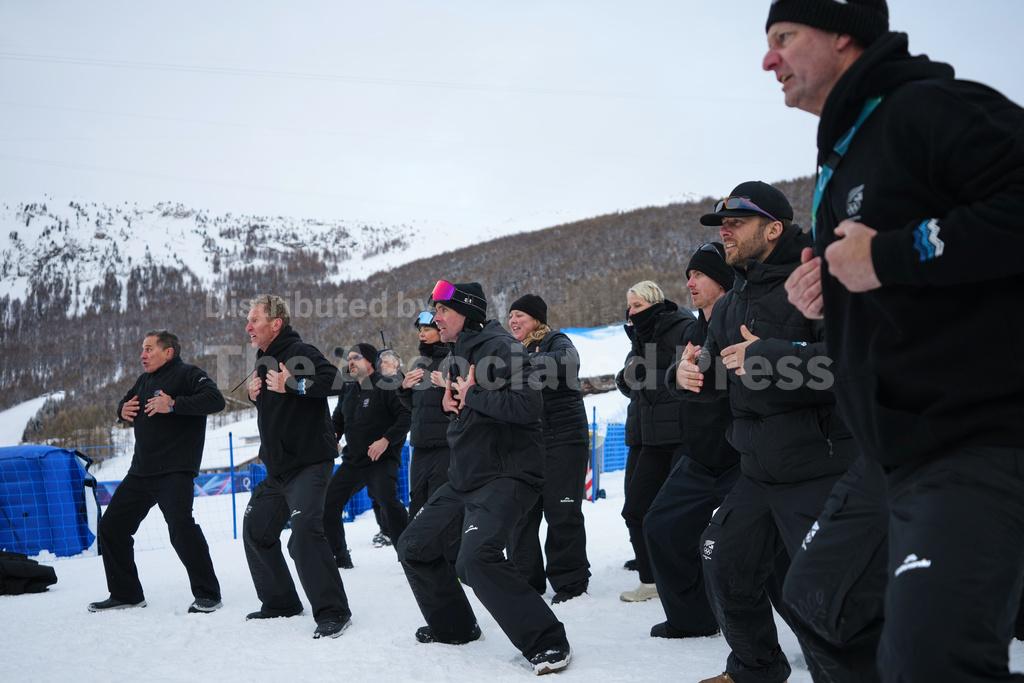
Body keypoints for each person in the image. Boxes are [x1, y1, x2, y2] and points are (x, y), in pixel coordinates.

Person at [764, 1, 1024, 679]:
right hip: (890, 451)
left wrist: (892, 256)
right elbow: (883, 282)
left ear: (844, 32)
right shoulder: (842, 157)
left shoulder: (929, 108)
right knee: (818, 604)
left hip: (975, 434)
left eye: (785, 37)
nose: (769, 61)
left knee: (934, 659)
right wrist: (823, 292)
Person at [675, 182, 857, 683]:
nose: (725, 232)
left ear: (773, 228)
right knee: (723, 562)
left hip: (823, 469)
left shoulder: (816, 283)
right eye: (721, 224)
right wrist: (691, 375)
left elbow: (855, 367)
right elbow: (721, 373)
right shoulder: (732, 303)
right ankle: (755, 668)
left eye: (736, 222)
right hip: (757, 471)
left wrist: (774, 357)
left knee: (827, 596)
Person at [396, 280, 572, 675]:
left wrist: (471, 396)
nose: (435, 318)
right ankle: (455, 627)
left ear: (467, 312)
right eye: (434, 311)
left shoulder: (500, 347)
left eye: (442, 310)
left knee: (475, 559)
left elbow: (528, 405)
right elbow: (471, 403)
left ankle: (548, 642)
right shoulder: (457, 353)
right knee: (414, 544)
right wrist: (452, 405)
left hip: (508, 473)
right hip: (466, 475)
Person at [89, 330, 224, 614]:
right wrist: (121, 410)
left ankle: (208, 594)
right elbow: (126, 405)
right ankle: (126, 594)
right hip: (141, 471)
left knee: (180, 529)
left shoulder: (188, 374)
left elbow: (215, 400)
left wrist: (173, 404)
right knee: (112, 527)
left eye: (149, 349)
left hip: (175, 470)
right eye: (142, 349)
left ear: (168, 352)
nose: (143, 354)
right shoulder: (144, 380)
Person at [643, 243, 740, 639]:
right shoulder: (695, 328)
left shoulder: (742, 320)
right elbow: (679, 375)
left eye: (699, 274)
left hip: (742, 456)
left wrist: (698, 374)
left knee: (763, 549)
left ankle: (822, 637)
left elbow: (742, 378)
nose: (690, 281)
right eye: (689, 274)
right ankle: (692, 619)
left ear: (722, 279)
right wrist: (676, 376)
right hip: (700, 457)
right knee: (661, 525)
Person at [242, 294, 351, 640]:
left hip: (310, 463)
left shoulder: (298, 351)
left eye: (255, 320)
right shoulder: (264, 359)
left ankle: (334, 611)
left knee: (305, 530)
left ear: (276, 324)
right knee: (256, 528)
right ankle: (281, 602)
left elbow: (334, 380)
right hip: (279, 469)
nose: (248, 327)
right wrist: (254, 395)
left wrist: (293, 384)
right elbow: (279, 413)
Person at [507, 294, 592, 604]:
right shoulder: (509, 351)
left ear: (537, 321)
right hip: (527, 445)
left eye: (521, 315)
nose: (513, 320)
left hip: (564, 440)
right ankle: (526, 580)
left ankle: (571, 583)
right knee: (522, 515)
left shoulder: (557, 340)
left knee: (562, 510)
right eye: (511, 315)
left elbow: (571, 362)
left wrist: (525, 362)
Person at [619, 280, 694, 603]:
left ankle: (690, 580)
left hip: (680, 436)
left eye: (636, 306)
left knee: (679, 516)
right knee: (635, 510)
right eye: (629, 307)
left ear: (653, 303)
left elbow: (691, 378)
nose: (630, 312)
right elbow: (629, 379)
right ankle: (650, 579)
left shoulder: (683, 328)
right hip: (647, 437)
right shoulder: (640, 336)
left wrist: (652, 381)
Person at [325, 343, 411, 567]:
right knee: (329, 503)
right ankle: (340, 557)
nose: (351, 362)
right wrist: (333, 436)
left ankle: (410, 555)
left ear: (371, 363)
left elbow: (404, 417)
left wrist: (386, 440)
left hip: (380, 459)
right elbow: (338, 420)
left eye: (357, 358)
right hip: (354, 460)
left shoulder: (386, 386)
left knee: (387, 502)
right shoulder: (349, 389)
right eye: (349, 358)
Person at [398, 311, 453, 521]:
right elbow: (415, 406)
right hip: (420, 447)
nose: (422, 334)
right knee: (417, 504)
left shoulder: (454, 359)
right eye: (420, 330)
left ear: (441, 330)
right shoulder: (419, 363)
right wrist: (403, 388)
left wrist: (446, 384)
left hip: (445, 446)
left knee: (442, 506)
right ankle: (420, 554)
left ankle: (450, 555)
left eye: (427, 329)